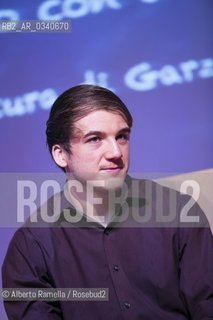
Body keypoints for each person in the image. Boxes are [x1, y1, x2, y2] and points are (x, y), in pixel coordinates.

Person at [2, 84, 213, 319]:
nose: (115, 152)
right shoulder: (31, 247)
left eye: (122, 137)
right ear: (61, 154)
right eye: (95, 139)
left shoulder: (179, 212)